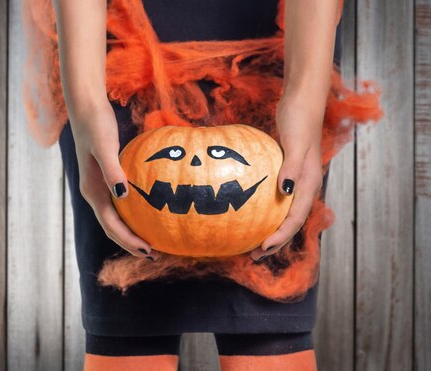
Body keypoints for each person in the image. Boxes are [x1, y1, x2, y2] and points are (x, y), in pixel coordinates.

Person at [21, 0, 377, 369]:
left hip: (286, 35)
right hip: (113, 38)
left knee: (269, 333)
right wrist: (88, 105)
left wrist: (304, 99)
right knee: (127, 334)